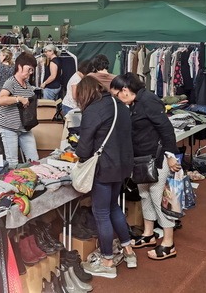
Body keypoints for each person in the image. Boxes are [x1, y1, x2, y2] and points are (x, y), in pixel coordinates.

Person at [110, 72, 181, 261]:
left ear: (125, 90)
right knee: (144, 195)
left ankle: (168, 243)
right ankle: (148, 234)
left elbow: (166, 129)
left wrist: (171, 155)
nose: (117, 99)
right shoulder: (133, 103)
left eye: (117, 95)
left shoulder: (149, 100)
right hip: (141, 159)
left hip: (155, 158)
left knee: (158, 198)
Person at [74, 76, 136, 278]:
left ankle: (107, 261)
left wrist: (79, 153)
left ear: (84, 94)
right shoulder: (118, 104)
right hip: (122, 165)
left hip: (104, 168)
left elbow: (83, 149)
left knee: (101, 213)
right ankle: (128, 251)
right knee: (113, 207)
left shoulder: (93, 111)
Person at [0, 52, 40, 168]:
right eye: (29, 69)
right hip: (9, 128)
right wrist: (18, 98)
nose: (31, 72)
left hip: (25, 128)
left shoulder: (27, 84)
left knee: (35, 161)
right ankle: (13, 185)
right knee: (13, 163)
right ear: (19, 66)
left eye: (32, 70)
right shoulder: (11, 82)